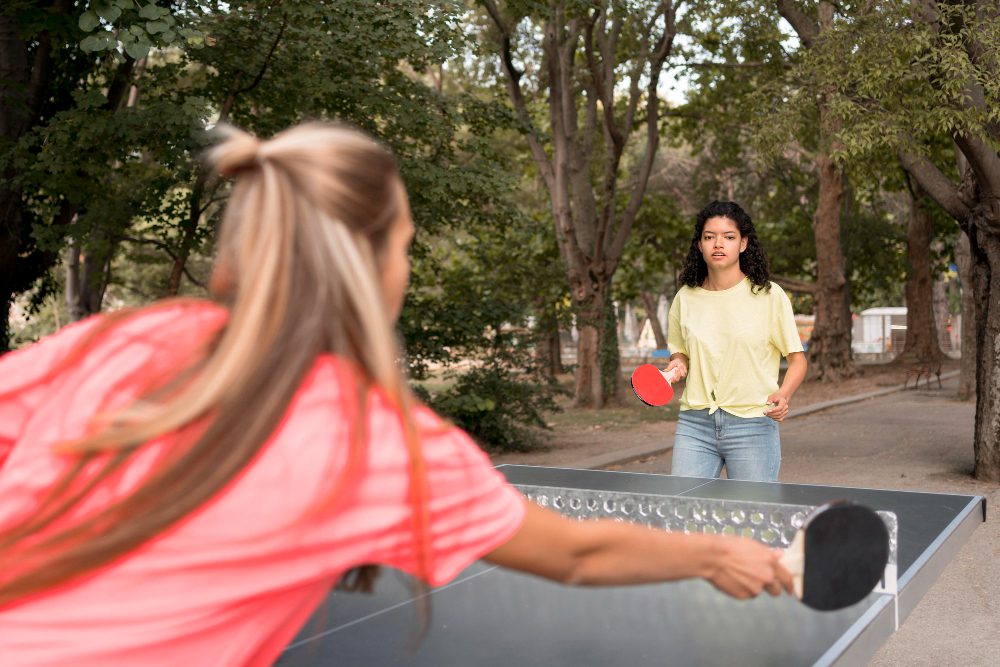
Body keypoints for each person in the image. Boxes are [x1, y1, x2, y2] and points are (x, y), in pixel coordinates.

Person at [0, 124, 792, 666]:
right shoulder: (373, 439)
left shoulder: (137, 335)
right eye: (406, 245)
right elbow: (577, 552)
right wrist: (717, 550)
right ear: (372, 262)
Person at [665, 201, 808, 482]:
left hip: (753, 424)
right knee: (682, 516)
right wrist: (677, 364)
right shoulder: (685, 297)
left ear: (743, 244)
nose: (718, 244)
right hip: (695, 423)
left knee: (751, 521)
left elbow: (797, 360)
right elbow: (679, 352)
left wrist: (784, 394)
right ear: (699, 245)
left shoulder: (769, 295)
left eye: (728, 237)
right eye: (709, 237)